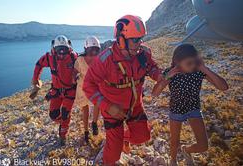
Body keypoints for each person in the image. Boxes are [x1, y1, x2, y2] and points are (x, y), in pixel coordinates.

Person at [83, 15, 167, 165]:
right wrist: (108, 106)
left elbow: (151, 67)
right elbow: (88, 85)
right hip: (112, 110)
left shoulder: (144, 53)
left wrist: (158, 75)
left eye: (141, 39)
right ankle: (113, 147)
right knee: (113, 153)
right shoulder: (105, 60)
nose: (139, 43)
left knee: (143, 137)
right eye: (135, 40)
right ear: (121, 39)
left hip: (135, 106)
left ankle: (123, 138)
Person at [152, 44, 229, 166]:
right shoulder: (171, 72)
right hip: (176, 110)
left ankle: (186, 150)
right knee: (174, 141)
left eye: (195, 62)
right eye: (189, 63)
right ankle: (173, 161)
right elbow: (155, 93)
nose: (193, 66)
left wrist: (205, 69)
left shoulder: (198, 72)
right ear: (178, 62)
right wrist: (167, 77)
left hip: (193, 108)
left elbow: (224, 87)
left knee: (203, 146)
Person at [30, 35, 78, 146]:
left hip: (70, 91)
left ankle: (63, 135)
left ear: (68, 48)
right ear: (54, 49)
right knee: (53, 115)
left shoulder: (73, 57)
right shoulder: (49, 57)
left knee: (65, 114)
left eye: (64, 50)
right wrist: (36, 80)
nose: (61, 53)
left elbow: (83, 67)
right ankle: (65, 122)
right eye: (59, 51)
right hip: (56, 91)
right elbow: (38, 64)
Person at [74, 36, 101, 143]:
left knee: (97, 105)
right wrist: (74, 77)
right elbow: (75, 71)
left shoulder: (99, 60)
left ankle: (94, 123)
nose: (94, 52)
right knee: (85, 109)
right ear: (86, 49)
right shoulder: (80, 60)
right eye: (91, 50)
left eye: (96, 50)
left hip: (94, 87)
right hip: (82, 88)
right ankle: (86, 131)